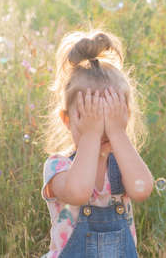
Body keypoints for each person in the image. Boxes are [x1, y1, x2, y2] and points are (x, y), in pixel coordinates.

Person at [40, 29, 153, 258]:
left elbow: (143, 189)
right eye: (90, 119)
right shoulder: (58, 166)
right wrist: (91, 136)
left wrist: (117, 132)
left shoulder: (122, 164)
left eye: (108, 120)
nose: (100, 129)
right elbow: (79, 192)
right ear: (67, 120)